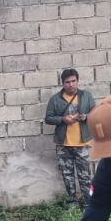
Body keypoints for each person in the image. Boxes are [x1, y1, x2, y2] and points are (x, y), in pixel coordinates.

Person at [44, 69, 96, 208]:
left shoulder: (86, 96)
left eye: (73, 81)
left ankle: (88, 203)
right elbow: (48, 118)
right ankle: (72, 202)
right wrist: (62, 119)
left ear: (77, 81)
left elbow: (96, 113)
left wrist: (86, 117)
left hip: (82, 142)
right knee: (67, 175)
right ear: (63, 83)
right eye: (68, 82)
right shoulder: (55, 99)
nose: (71, 84)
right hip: (63, 144)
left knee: (85, 176)